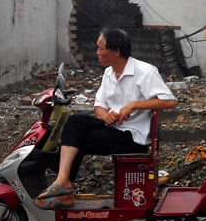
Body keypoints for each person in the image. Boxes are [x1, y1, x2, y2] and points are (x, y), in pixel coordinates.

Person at [35, 28, 176, 209]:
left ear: (116, 51)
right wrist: (105, 116)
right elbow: (99, 106)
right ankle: (63, 181)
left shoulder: (145, 72)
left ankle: (66, 188)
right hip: (112, 128)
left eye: (101, 48)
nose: (97, 53)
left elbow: (169, 101)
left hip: (132, 136)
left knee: (77, 140)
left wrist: (133, 105)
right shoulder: (109, 73)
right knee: (75, 122)